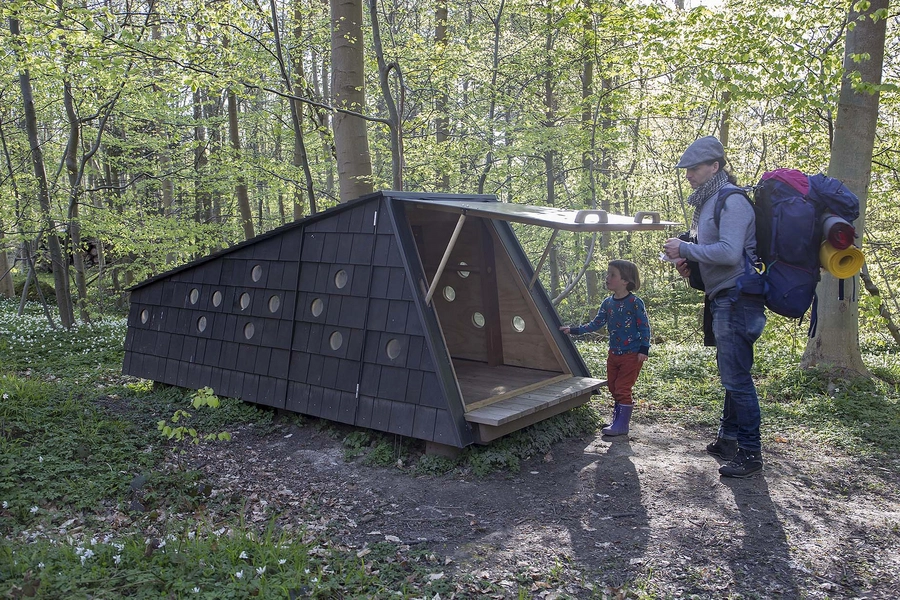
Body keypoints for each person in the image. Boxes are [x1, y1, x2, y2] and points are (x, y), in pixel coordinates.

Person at [662, 135, 766, 478]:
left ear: (715, 167)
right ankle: (729, 438)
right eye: (686, 169)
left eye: (694, 168)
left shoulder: (731, 201)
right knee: (731, 373)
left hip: (738, 299)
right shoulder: (706, 204)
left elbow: (729, 253)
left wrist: (686, 249)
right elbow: (711, 256)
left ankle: (751, 453)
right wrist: (687, 261)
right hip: (722, 296)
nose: (688, 174)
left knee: (737, 378)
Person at [560, 259, 650, 437]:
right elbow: (596, 324)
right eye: (607, 274)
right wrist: (574, 330)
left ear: (625, 280)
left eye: (612, 275)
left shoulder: (635, 302)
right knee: (612, 386)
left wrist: (644, 349)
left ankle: (622, 426)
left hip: (631, 355)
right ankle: (618, 420)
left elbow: (644, 327)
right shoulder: (607, 303)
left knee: (623, 388)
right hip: (614, 354)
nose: (607, 278)